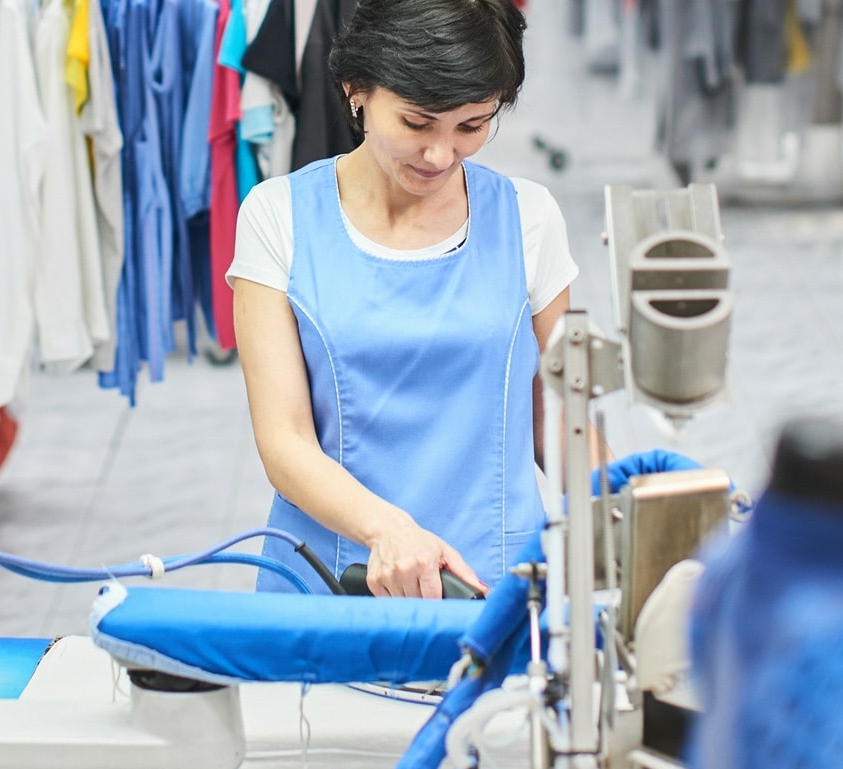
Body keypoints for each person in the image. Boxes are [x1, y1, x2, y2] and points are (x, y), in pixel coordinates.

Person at [226, 0, 579, 600]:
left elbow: (562, 425)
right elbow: (284, 440)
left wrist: (645, 514)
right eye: (417, 124)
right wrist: (388, 531)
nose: (440, 155)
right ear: (355, 89)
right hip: (332, 580)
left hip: (491, 587)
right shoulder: (278, 216)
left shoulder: (528, 217)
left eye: (472, 126)